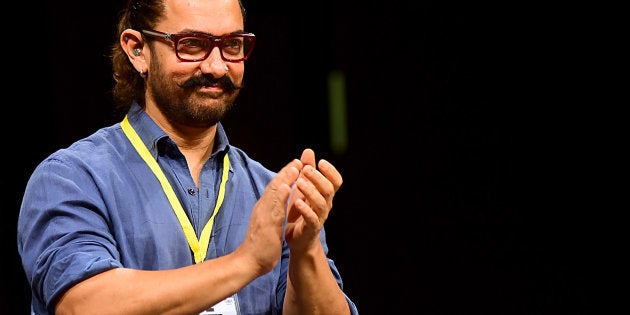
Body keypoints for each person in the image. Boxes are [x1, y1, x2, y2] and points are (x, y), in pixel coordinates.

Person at [16, 0, 359, 314]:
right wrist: (246, 262)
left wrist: (306, 250)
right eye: (192, 44)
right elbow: (84, 305)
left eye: (232, 45)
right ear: (138, 50)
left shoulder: (273, 194)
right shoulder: (72, 178)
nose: (216, 66)